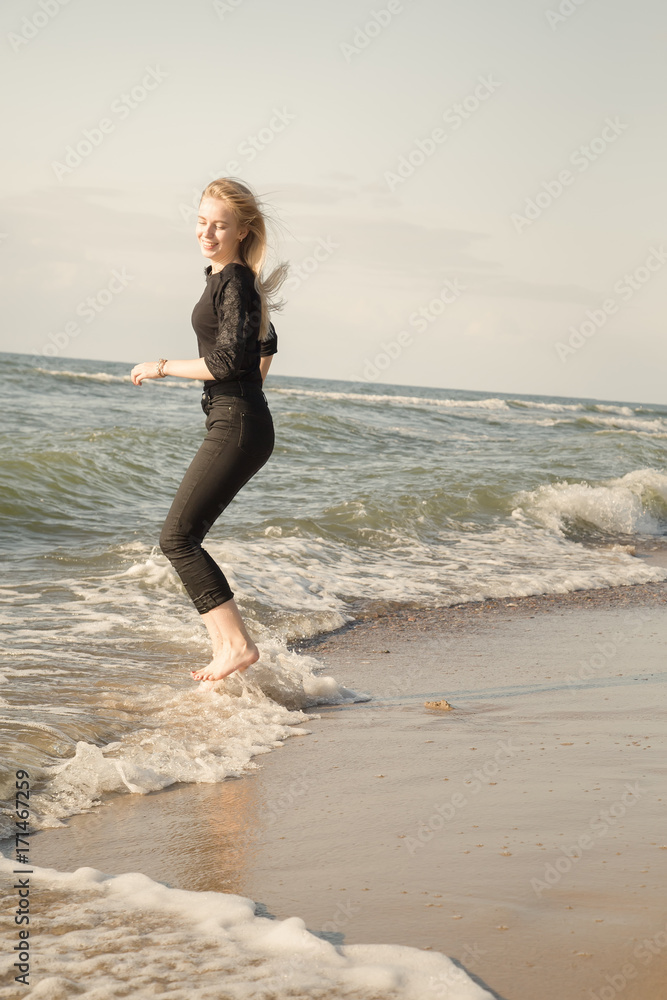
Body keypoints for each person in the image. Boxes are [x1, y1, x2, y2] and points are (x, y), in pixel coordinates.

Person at [131, 178, 289, 682]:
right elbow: (265, 344)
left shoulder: (236, 280)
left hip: (237, 421)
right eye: (202, 221)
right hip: (240, 418)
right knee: (183, 536)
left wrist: (160, 366)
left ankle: (237, 645)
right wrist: (247, 391)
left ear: (242, 230)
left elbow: (224, 361)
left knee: (177, 537)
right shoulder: (223, 278)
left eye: (219, 225)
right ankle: (227, 648)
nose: (207, 231)